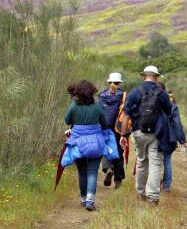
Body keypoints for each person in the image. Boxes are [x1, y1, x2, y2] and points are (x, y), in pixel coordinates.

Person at [120, 66, 173, 206]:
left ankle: (140, 193)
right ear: (156, 77)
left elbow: (126, 115)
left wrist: (123, 135)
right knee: (156, 163)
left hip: (138, 132)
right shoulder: (161, 93)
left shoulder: (134, 92)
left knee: (141, 161)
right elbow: (169, 111)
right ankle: (153, 197)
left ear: (144, 76)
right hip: (157, 133)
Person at [63, 80, 118, 211]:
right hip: (96, 143)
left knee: (82, 173)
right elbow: (104, 124)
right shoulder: (97, 106)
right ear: (92, 93)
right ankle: (90, 201)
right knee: (92, 172)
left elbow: (67, 120)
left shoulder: (74, 105)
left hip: (78, 142)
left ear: (78, 92)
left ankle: (83, 198)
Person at [156, 82, 187, 192]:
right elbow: (177, 123)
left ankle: (155, 182)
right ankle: (167, 186)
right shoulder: (172, 104)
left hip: (155, 135)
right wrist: (182, 140)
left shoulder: (152, 101)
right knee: (167, 160)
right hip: (169, 137)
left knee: (155, 159)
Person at [98, 72, 125, 189]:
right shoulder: (123, 96)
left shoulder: (101, 96)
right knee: (119, 152)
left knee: (106, 149)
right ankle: (118, 179)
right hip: (119, 128)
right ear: (119, 83)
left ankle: (109, 169)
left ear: (109, 82)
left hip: (104, 127)